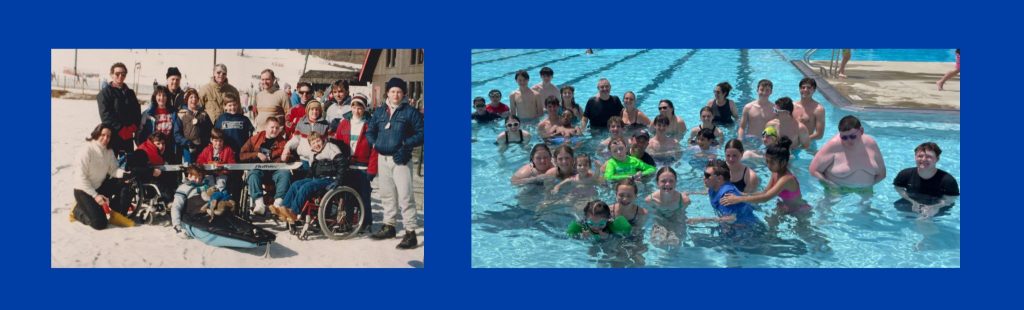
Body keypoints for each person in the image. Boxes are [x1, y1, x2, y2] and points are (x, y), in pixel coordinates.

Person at [366, 77, 425, 249]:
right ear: (388, 93)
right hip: (382, 158)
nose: (396, 94)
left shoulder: (410, 112)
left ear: (404, 94)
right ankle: (389, 226)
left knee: (405, 196)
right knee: (387, 194)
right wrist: (375, 144)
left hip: (400, 160)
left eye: (399, 91)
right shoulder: (379, 111)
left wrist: (406, 145)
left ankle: (410, 232)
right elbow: (370, 131)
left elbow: (422, 133)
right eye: (393, 91)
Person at [722, 137, 811, 214]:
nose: (768, 165)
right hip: (784, 207)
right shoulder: (775, 172)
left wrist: (739, 199)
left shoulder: (787, 179)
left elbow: (766, 198)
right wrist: (742, 194)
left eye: (772, 163)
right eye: (767, 161)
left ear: (783, 162)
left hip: (799, 211)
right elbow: (765, 192)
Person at [272, 132, 346, 224]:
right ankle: (284, 210)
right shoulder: (313, 153)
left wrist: (338, 180)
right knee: (296, 184)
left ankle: (294, 212)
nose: (316, 144)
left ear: (322, 140)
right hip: (317, 179)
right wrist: (304, 180)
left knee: (306, 187)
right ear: (311, 145)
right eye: (313, 143)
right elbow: (312, 171)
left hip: (329, 179)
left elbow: (341, 164)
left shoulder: (330, 147)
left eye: (318, 141)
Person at [71, 124, 134, 229]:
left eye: (108, 136)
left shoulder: (108, 151)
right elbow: (80, 178)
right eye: (103, 135)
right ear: (96, 134)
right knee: (99, 224)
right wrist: (96, 196)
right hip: (83, 190)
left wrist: (124, 174)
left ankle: (117, 214)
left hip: (99, 186)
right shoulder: (87, 150)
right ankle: (77, 211)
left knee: (125, 183)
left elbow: (113, 170)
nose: (106, 138)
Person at [809, 115, 886, 196]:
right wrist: (830, 184)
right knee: (826, 207)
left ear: (861, 131)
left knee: (867, 207)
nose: (848, 141)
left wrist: (868, 185)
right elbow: (814, 170)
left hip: (866, 189)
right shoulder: (834, 145)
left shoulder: (871, 144)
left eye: (852, 136)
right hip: (837, 189)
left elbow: (882, 174)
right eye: (844, 137)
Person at [333, 94, 377, 230]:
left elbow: (375, 150)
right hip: (347, 166)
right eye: (354, 107)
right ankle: (347, 222)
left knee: (363, 196)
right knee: (347, 196)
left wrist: (372, 170)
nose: (356, 110)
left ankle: (366, 223)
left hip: (363, 167)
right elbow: (337, 144)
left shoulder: (370, 124)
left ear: (364, 109)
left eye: (360, 108)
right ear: (350, 107)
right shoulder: (344, 123)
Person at [239, 117, 291, 216]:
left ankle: (277, 205)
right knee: (253, 174)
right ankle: (259, 204)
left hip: (275, 170)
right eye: (272, 127)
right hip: (260, 170)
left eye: (277, 128)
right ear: (266, 127)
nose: (274, 130)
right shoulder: (256, 138)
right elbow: (242, 155)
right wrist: (256, 154)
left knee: (285, 174)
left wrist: (286, 157)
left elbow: (292, 156)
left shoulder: (282, 141)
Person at [893, 142, 959, 219]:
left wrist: (935, 207)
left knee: (924, 220)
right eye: (920, 156)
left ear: (937, 159)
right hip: (912, 201)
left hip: (938, 205)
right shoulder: (905, 174)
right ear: (915, 157)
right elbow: (898, 188)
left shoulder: (948, 180)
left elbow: (950, 199)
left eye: (929, 157)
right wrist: (912, 202)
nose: (924, 159)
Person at [687, 159, 760, 228]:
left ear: (719, 179)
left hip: (747, 229)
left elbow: (731, 219)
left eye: (707, 176)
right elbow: (707, 192)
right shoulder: (714, 187)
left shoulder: (726, 197)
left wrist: (702, 220)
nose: (703, 178)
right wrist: (690, 193)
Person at [97, 62, 141, 156]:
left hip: (128, 136)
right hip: (112, 136)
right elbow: (105, 115)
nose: (120, 76)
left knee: (128, 164)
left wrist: (134, 126)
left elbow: (137, 111)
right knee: (111, 165)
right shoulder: (105, 93)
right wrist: (120, 129)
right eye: (117, 74)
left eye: (123, 74)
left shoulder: (130, 93)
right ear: (112, 75)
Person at [137, 85, 188, 164]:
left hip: (169, 149)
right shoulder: (148, 114)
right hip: (153, 149)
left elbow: (177, 131)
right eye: (159, 95)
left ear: (167, 97)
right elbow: (140, 132)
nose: (162, 98)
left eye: (164, 95)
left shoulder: (173, 113)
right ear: (155, 97)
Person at [645, 167, 690, 248]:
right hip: (660, 221)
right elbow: (653, 216)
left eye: (671, 181)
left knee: (675, 243)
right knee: (657, 242)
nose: (667, 184)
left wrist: (675, 227)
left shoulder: (684, 200)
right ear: (657, 183)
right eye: (663, 181)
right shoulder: (650, 200)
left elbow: (682, 215)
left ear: (676, 182)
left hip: (676, 220)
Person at [169, 166, 215, 239]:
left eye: (200, 178)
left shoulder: (204, 186)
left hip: (207, 211)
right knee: (197, 199)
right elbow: (176, 207)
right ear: (189, 176)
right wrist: (177, 226)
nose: (198, 180)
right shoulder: (183, 188)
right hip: (192, 214)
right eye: (196, 177)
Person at [214, 93, 255, 160]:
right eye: (230, 105)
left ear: (237, 105)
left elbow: (251, 136)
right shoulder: (221, 119)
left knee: (239, 169)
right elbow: (216, 135)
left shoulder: (244, 119)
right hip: (225, 152)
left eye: (234, 105)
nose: (232, 107)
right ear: (225, 106)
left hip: (241, 151)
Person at [178, 88, 213, 163]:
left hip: (202, 147)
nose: (193, 99)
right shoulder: (181, 114)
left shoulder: (203, 114)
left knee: (202, 169)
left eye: (195, 97)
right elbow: (177, 133)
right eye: (191, 97)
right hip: (188, 148)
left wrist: (206, 141)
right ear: (186, 99)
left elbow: (210, 130)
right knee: (190, 169)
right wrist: (187, 142)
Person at [566, 200, 631, 240]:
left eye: (601, 224)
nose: (596, 227)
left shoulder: (613, 224)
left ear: (608, 219)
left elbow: (627, 237)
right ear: (586, 219)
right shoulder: (580, 226)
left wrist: (609, 237)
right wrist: (581, 237)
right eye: (591, 223)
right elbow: (568, 239)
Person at [792, 78, 826, 143]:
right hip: (792, 142)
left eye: (809, 88)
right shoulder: (792, 105)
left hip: (807, 143)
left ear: (814, 90)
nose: (805, 90)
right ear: (799, 89)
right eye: (803, 87)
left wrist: (801, 141)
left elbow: (819, 135)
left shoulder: (818, 109)